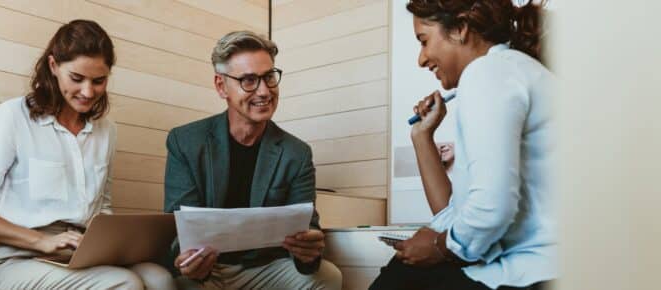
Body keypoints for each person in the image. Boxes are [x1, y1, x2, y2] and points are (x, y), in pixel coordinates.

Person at [370, 1, 555, 289]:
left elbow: (491, 210)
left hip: (528, 274)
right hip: (540, 269)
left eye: (424, 41)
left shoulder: (486, 73)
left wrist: (439, 246)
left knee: (398, 278)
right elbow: (455, 215)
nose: (421, 59)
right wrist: (422, 136)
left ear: (460, 28)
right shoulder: (510, 70)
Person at [0, 20, 175, 290]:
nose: (88, 92)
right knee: (124, 283)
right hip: (16, 257)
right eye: (76, 78)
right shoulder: (13, 116)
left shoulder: (106, 131)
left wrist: (110, 242)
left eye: (99, 81)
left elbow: (103, 207)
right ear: (53, 66)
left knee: (160, 278)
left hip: (80, 252)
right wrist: (41, 240)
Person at [163, 31, 342, 290]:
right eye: (248, 80)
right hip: (205, 272)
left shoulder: (296, 152)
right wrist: (188, 261)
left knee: (328, 276)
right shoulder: (186, 141)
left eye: (269, 77)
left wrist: (309, 249)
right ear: (221, 86)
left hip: (263, 269)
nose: (264, 91)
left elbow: (308, 225)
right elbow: (178, 224)